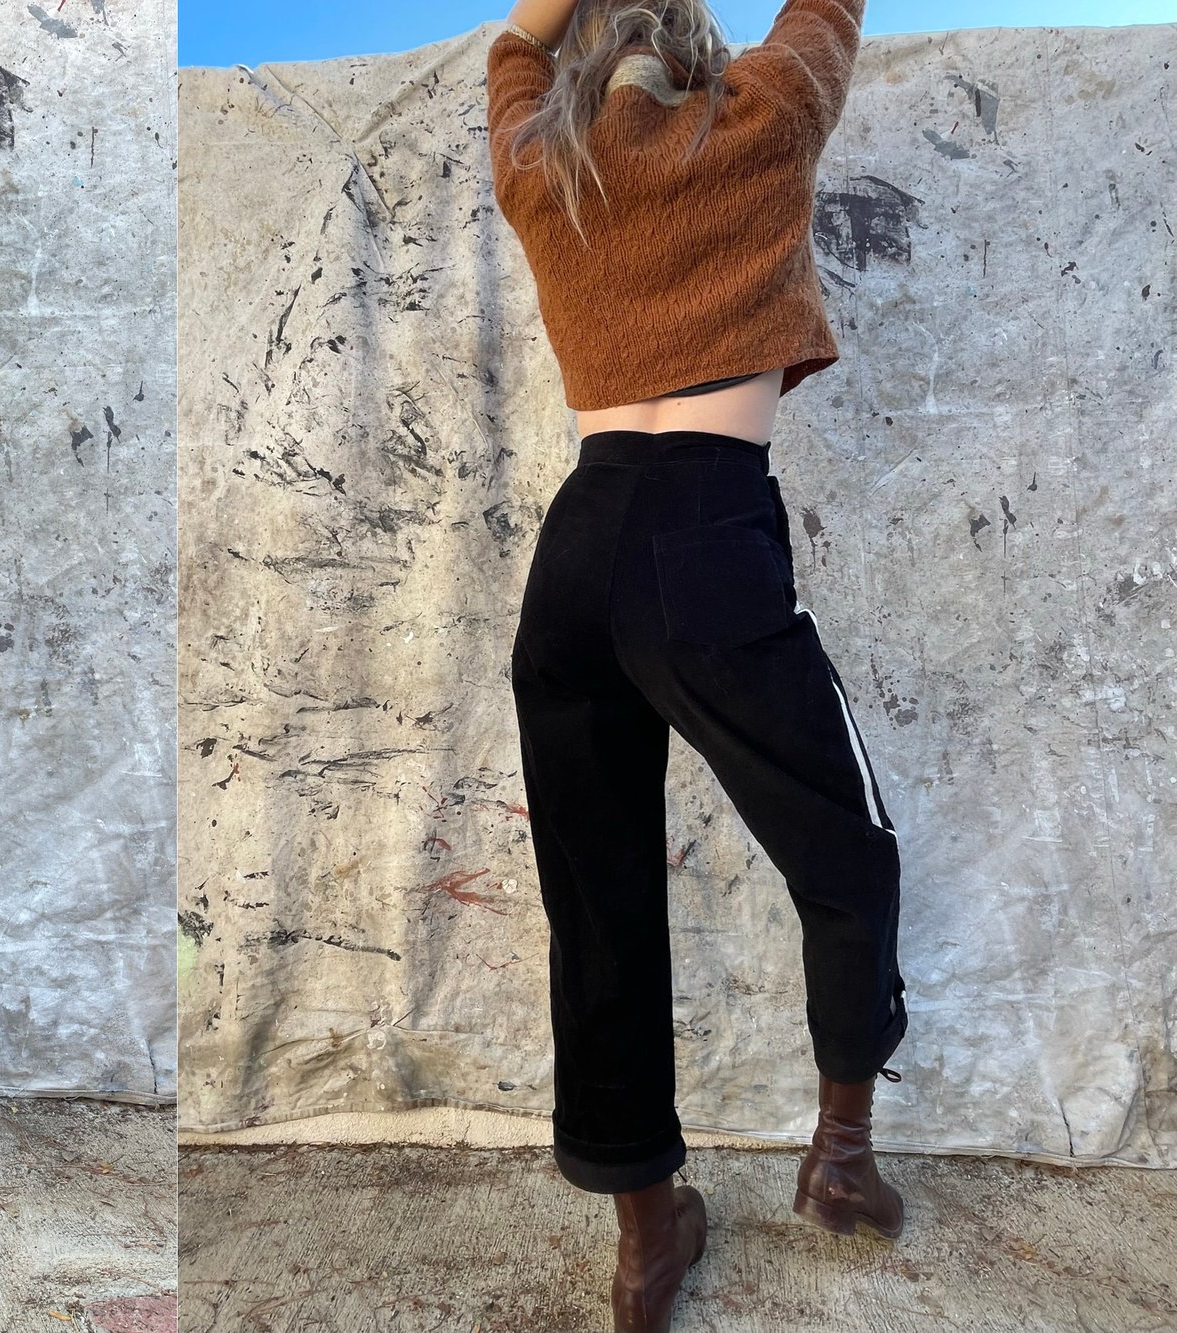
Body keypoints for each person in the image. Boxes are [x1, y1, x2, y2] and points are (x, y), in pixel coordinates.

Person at [486, 0, 905, 1327]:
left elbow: (510, 54)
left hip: (575, 552)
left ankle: (643, 1240)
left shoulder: (541, 165)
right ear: (695, 47)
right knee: (847, 852)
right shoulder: (761, 118)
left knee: (597, 900)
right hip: (706, 536)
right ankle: (840, 1160)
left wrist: (551, 23)